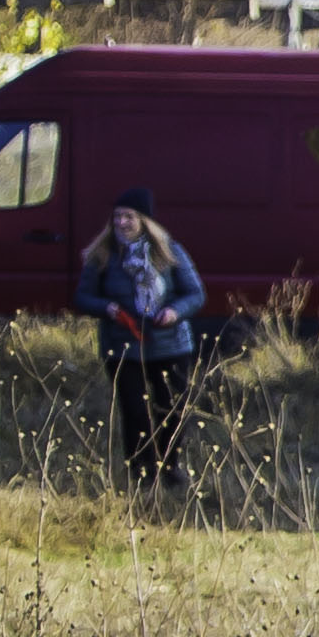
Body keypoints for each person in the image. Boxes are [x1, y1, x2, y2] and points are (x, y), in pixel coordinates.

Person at [74, 189, 208, 487]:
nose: (121, 222)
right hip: (123, 347)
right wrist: (106, 307)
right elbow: (83, 297)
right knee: (134, 411)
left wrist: (174, 311)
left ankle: (170, 466)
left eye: (129, 217)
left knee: (170, 409)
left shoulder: (169, 251)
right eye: (117, 216)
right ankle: (141, 471)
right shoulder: (102, 254)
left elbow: (195, 294)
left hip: (170, 345)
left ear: (144, 221)